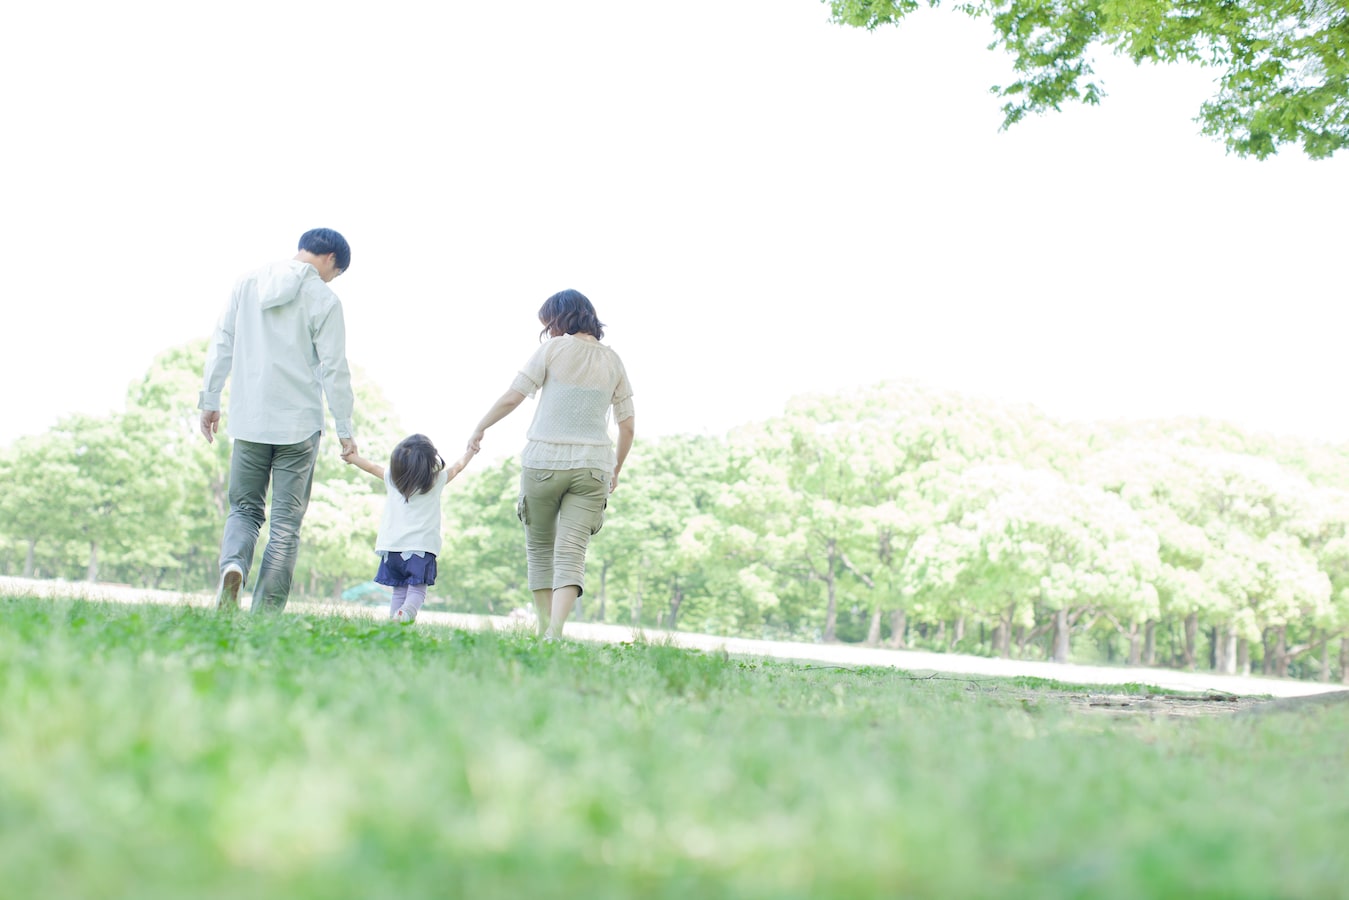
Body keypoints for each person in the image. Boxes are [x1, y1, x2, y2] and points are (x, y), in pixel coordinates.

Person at [198, 228, 357, 613]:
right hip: (299, 425)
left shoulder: (248, 283)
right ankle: (266, 613)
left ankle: (233, 565)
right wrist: (345, 428)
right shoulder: (324, 299)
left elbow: (223, 342)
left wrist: (210, 399)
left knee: (244, 509)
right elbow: (334, 369)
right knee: (286, 524)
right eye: (336, 273)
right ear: (331, 260)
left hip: (250, 419)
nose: (332, 280)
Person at [468, 289, 635, 641]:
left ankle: (543, 628)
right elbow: (628, 425)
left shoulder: (552, 350)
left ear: (561, 319)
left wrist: (480, 427)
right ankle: (554, 634)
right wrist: (615, 470)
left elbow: (514, 395)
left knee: (541, 547)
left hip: (544, 461)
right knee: (572, 551)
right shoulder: (613, 361)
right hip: (594, 467)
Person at [342, 435, 477, 623]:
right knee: (417, 591)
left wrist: (352, 458)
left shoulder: (392, 478)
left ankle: (395, 624)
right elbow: (457, 468)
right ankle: (405, 614)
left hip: (392, 549)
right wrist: (471, 450)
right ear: (430, 461)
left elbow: (371, 467)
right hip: (420, 548)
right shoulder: (436, 481)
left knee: (399, 590)